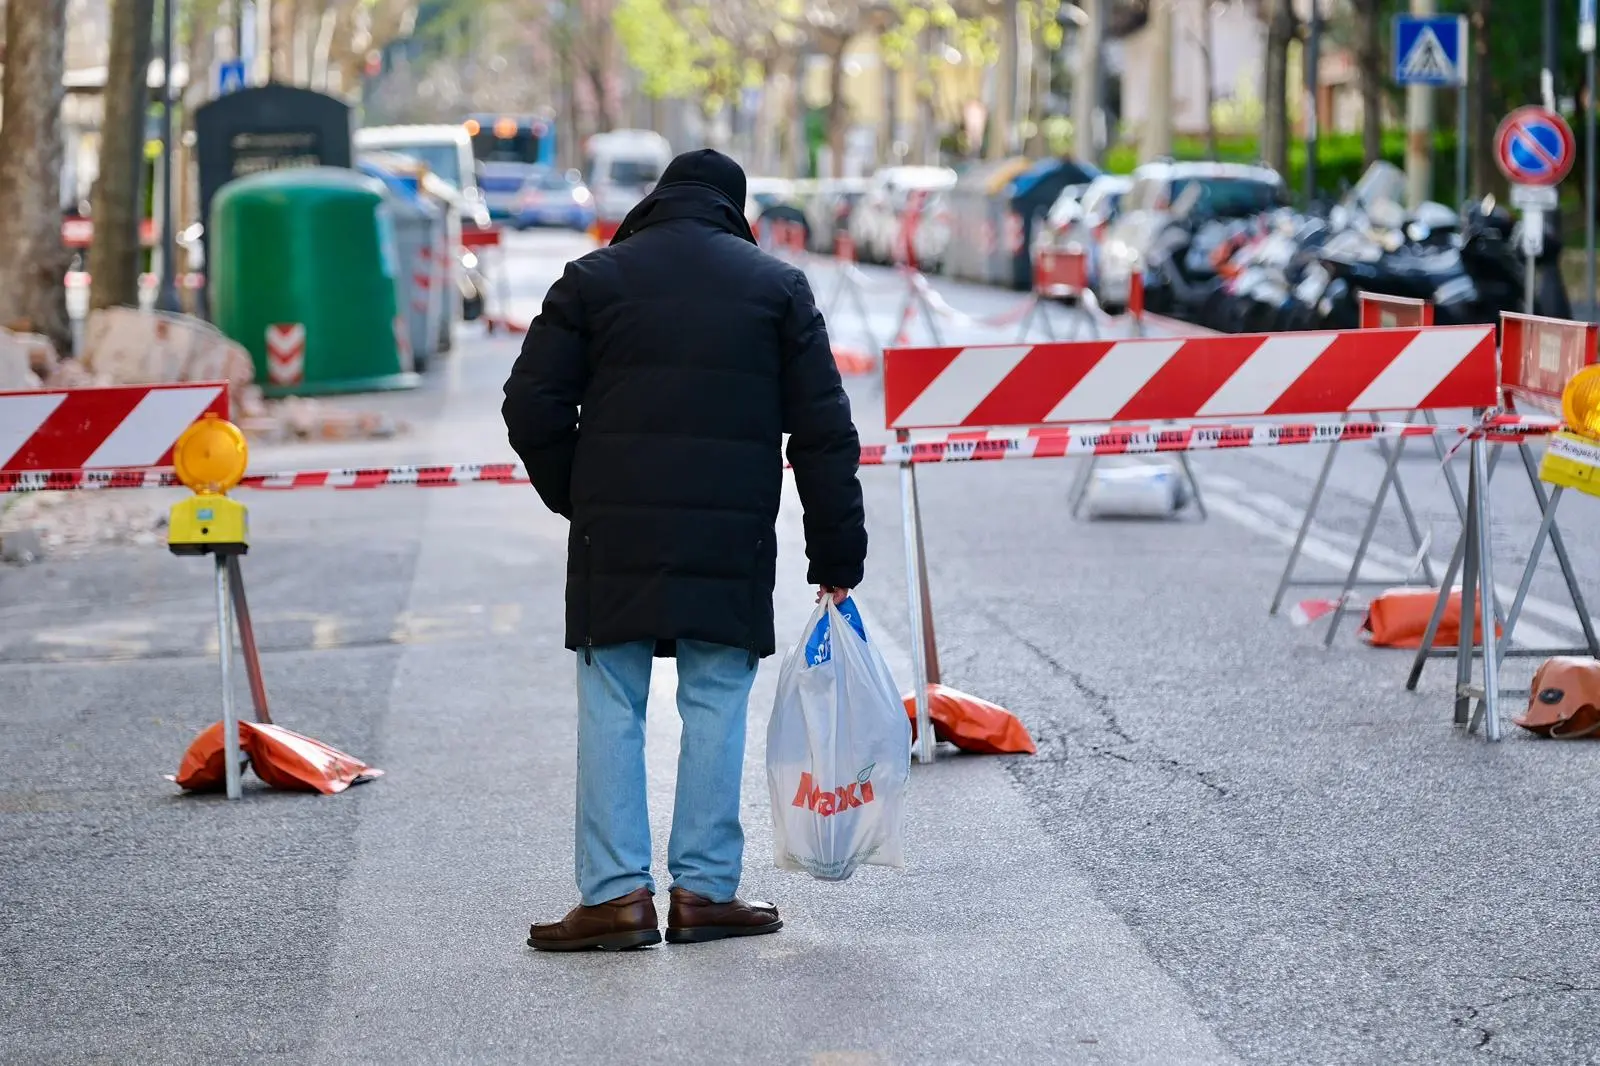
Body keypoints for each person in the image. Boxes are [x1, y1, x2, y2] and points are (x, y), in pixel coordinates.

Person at [502, 148, 867, 952]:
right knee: (715, 703)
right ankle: (703, 892)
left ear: (658, 201)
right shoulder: (776, 289)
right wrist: (836, 556)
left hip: (614, 536)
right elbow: (824, 435)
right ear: (734, 210)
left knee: (612, 704)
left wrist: (582, 495)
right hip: (729, 537)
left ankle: (615, 897)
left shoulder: (594, 279)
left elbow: (529, 405)